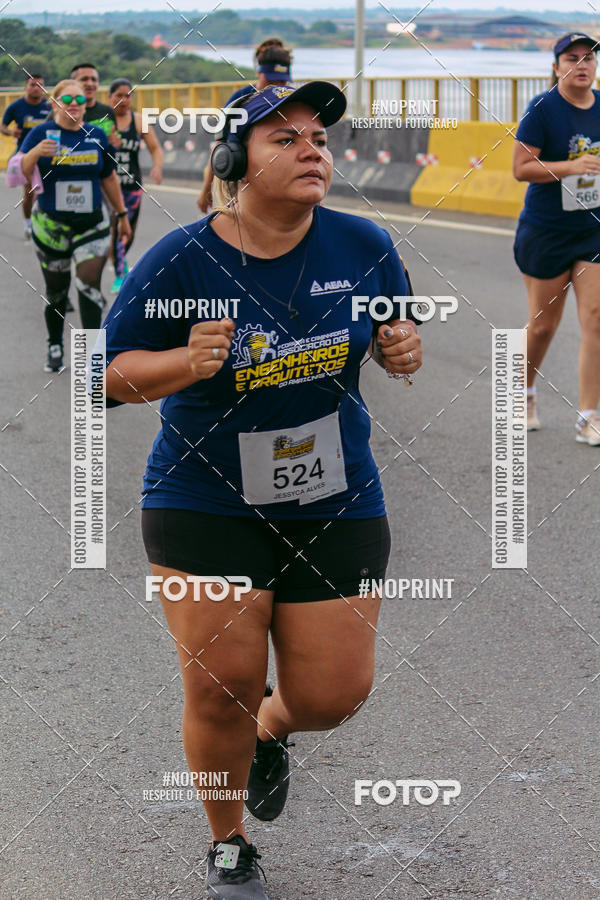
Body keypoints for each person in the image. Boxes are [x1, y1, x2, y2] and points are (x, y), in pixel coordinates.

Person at [102, 81, 422, 898]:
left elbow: (394, 332)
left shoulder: (364, 244)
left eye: (318, 136)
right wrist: (183, 364)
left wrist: (399, 349)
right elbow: (105, 380)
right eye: (286, 138)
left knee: (333, 696)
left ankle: (273, 731)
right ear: (232, 162)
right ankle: (228, 842)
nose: (313, 148)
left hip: (335, 497)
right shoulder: (180, 259)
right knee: (219, 689)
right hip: (204, 501)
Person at [513, 32, 600, 444]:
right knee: (543, 327)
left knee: (596, 320)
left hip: (592, 231)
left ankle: (589, 416)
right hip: (546, 232)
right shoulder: (543, 108)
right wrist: (571, 166)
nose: (582, 64)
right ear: (556, 66)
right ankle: (524, 392)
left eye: (589, 58)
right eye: (572, 57)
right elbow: (521, 168)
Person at [20, 79, 131, 373]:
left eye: (80, 100)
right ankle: (54, 344)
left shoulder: (95, 135)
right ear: (55, 103)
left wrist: (121, 216)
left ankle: (93, 355)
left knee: (88, 283)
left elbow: (108, 177)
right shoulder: (40, 134)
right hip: (51, 226)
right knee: (57, 290)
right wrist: (34, 154)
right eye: (67, 99)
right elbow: (18, 171)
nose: (74, 105)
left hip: (91, 224)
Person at [196, 38, 292, 212]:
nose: (276, 87)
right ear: (259, 72)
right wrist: (206, 190)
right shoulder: (239, 101)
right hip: (240, 183)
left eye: (282, 82)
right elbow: (219, 147)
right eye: (271, 81)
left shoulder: (292, 101)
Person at [108, 78, 164, 292]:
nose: (123, 100)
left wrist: (157, 167)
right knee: (112, 230)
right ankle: (120, 273)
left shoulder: (138, 121)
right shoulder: (104, 120)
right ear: (109, 97)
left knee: (127, 232)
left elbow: (155, 148)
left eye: (128, 95)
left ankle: (118, 263)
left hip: (131, 186)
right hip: (107, 186)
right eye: (118, 95)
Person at [1, 74, 52, 239]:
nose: (37, 88)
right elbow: (2, 126)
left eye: (41, 85)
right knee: (30, 192)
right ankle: (28, 223)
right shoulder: (16, 107)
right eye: (33, 84)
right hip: (25, 153)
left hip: (48, 153)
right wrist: (11, 132)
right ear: (26, 87)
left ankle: (47, 221)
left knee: (47, 190)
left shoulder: (50, 107)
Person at [69, 63, 121, 146]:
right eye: (84, 79)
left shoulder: (107, 111)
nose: (90, 84)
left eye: (94, 80)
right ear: (72, 83)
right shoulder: (62, 112)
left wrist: (114, 143)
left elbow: (117, 144)